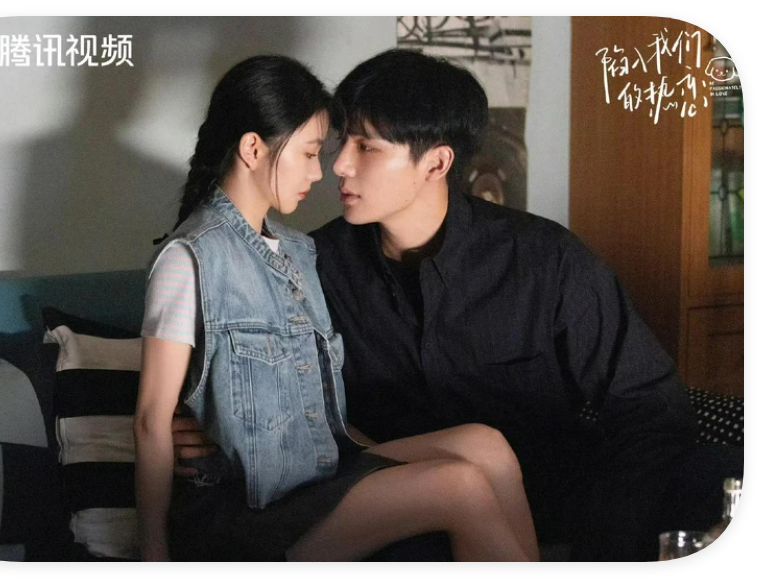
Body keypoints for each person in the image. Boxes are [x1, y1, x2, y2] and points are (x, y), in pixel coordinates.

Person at [171, 49, 744, 562]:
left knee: (713, 474)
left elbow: (649, 406)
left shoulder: (543, 260)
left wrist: (605, 544)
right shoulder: (313, 264)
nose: (340, 164)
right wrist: (204, 424)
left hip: (553, 496)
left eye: (366, 146)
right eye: (342, 143)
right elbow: (247, 370)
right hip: (407, 502)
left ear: (437, 163)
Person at [134, 54, 539, 563]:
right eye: (309, 153)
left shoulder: (301, 252)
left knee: (486, 447)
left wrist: (379, 463)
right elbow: (150, 421)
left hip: (316, 473)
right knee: (459, 485)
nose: (322, 170)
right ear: (253, 149)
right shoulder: (188, 259)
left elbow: (315, 405)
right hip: (249, 512)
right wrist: (154, 550)